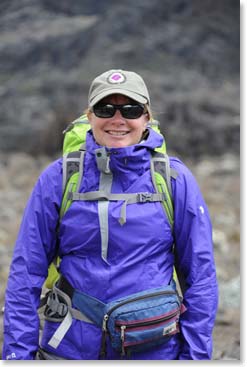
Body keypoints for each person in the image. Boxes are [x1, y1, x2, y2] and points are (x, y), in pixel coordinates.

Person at [2, 69, 218, 360]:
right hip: (70, 350)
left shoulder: (174, 179)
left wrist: (195, 359)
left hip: (154, 350)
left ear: (146, 118)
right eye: (105, 108)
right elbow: (26, 273)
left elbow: (201, 277)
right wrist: (17, 356)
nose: (118, 119)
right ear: (89, 116)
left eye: (131, 109)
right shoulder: (60, 178)